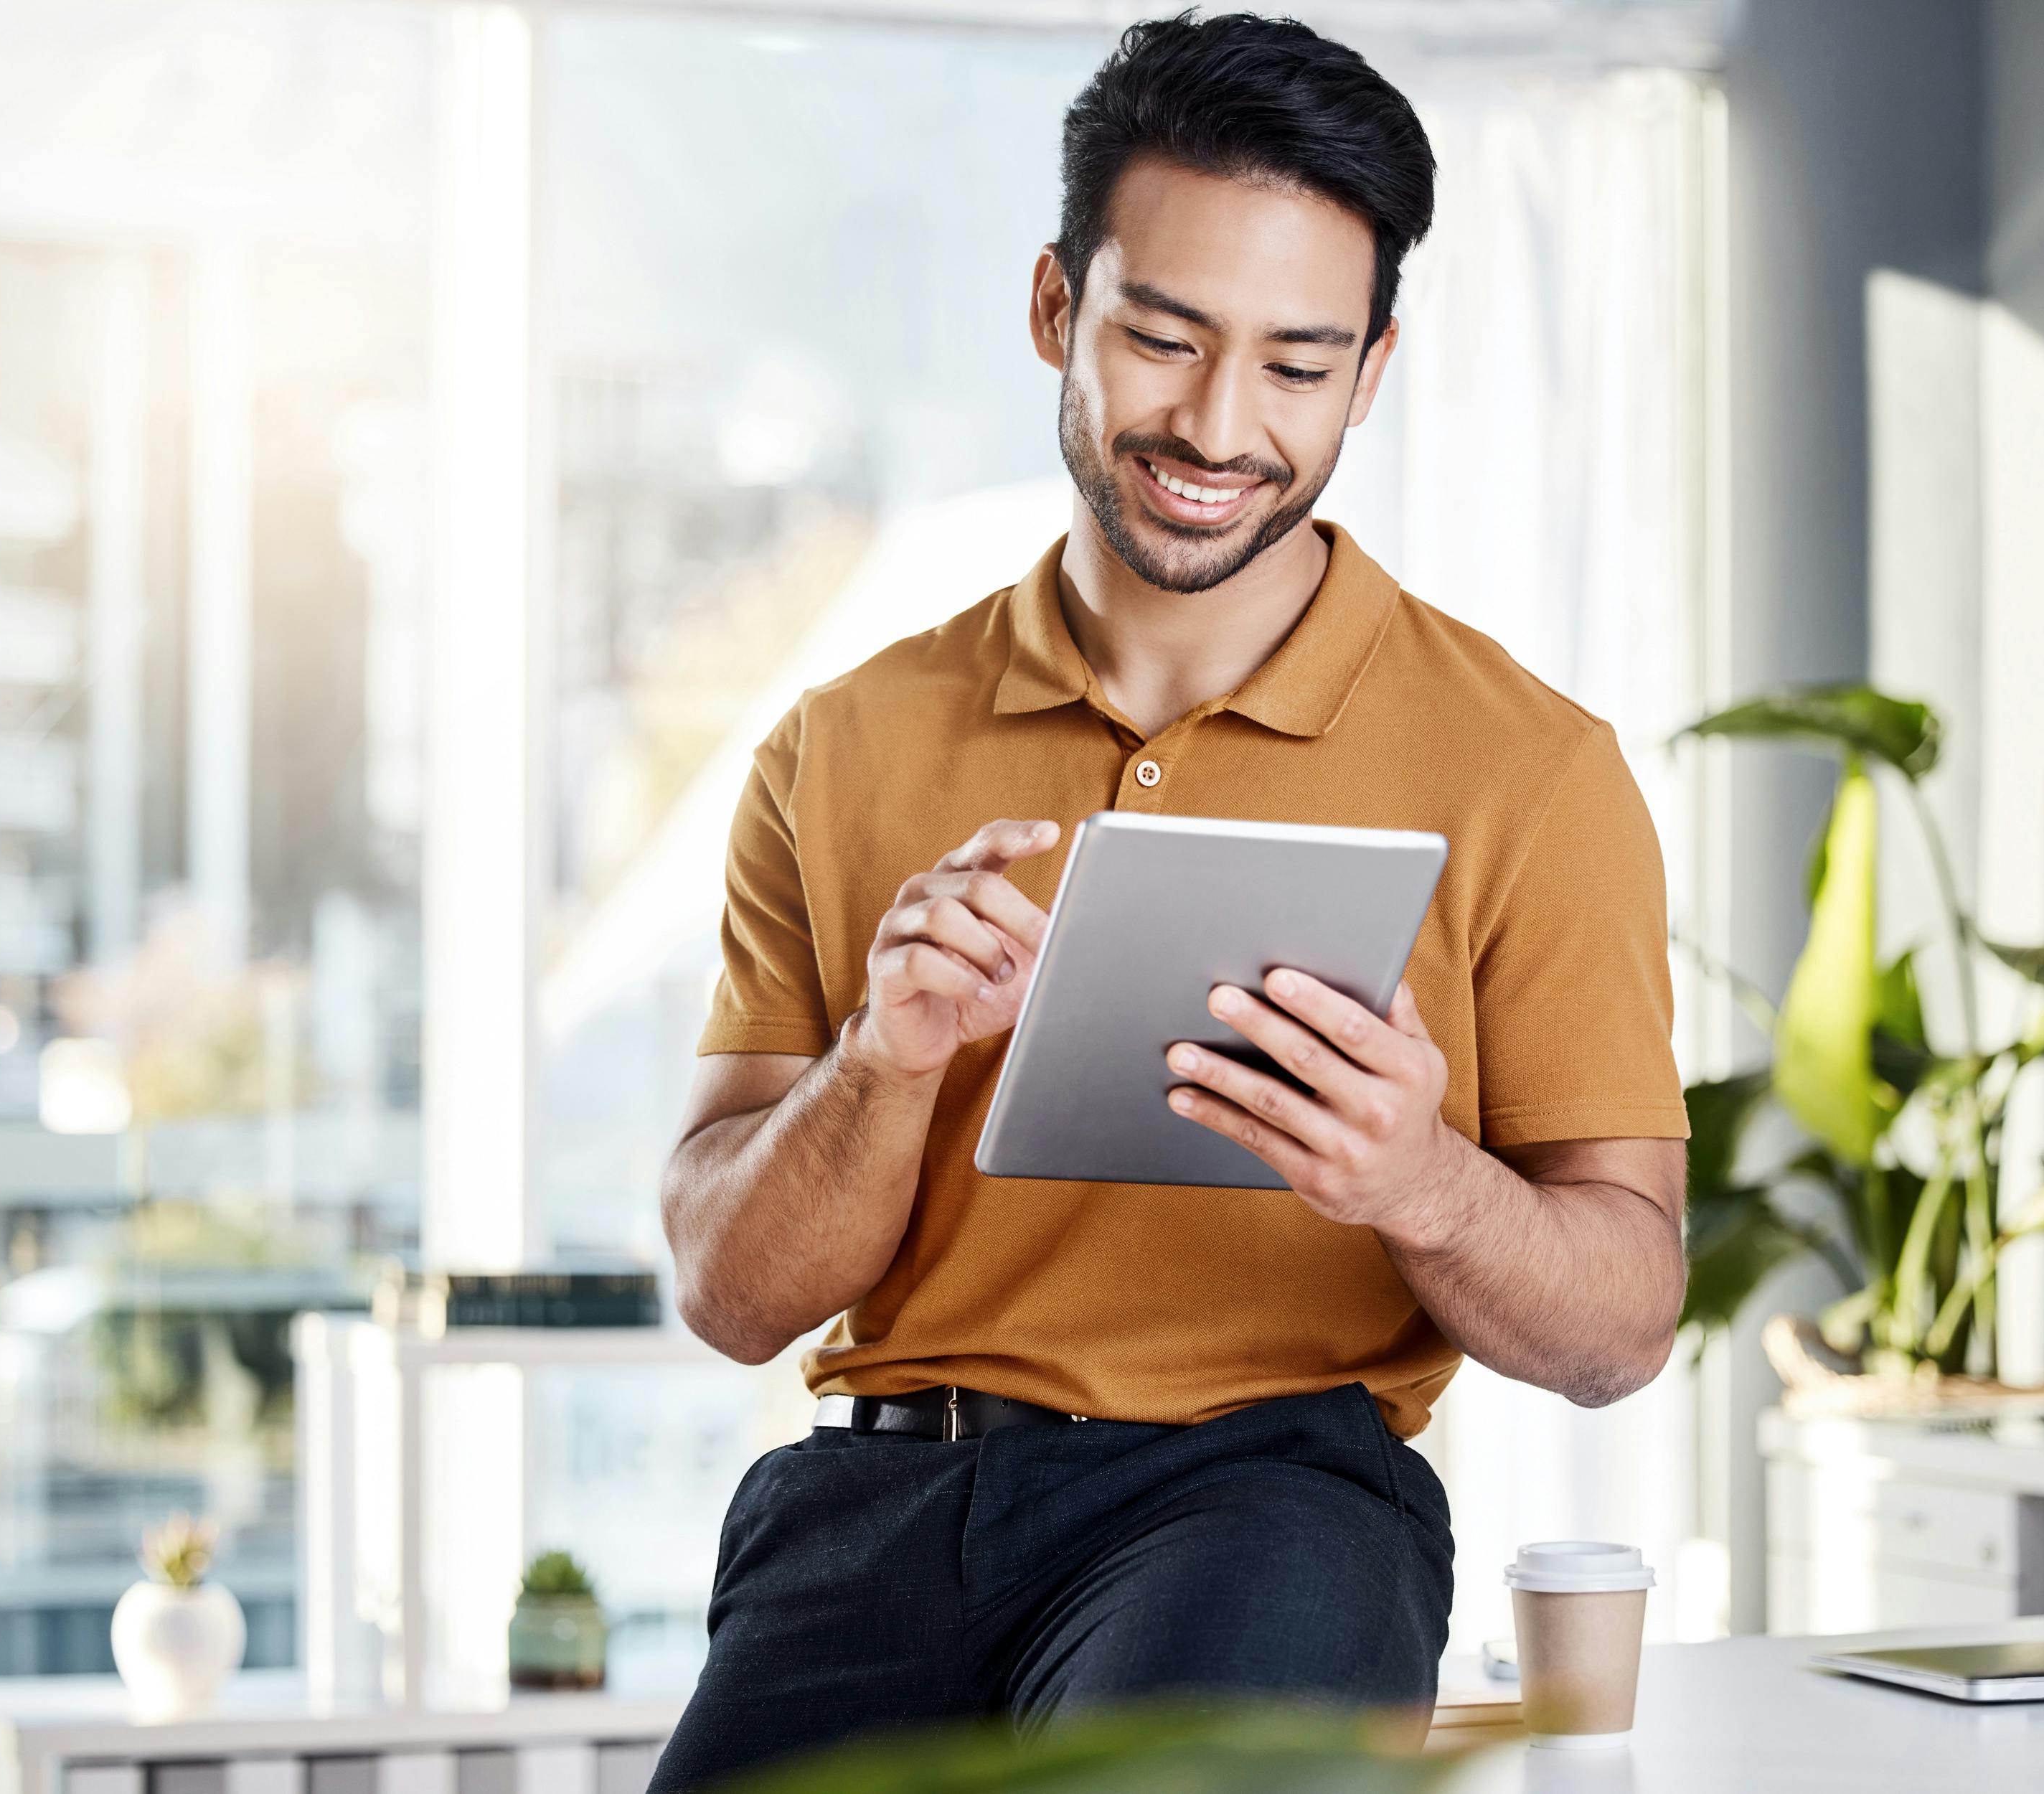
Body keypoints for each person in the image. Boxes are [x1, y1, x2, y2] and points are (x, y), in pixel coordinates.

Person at [647, 14, 1689, 1788]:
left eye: (1297, 363)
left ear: (1369, 373)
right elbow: (732, 1292)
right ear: (1056, 307)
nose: (1218, 425)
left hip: (1267, 1500)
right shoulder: (842, 745)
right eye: (1162, 337)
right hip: (873, 1506)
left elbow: (1620, 1319)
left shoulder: (1531, 768)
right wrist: (880, 1064)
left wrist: (1418, 1179)